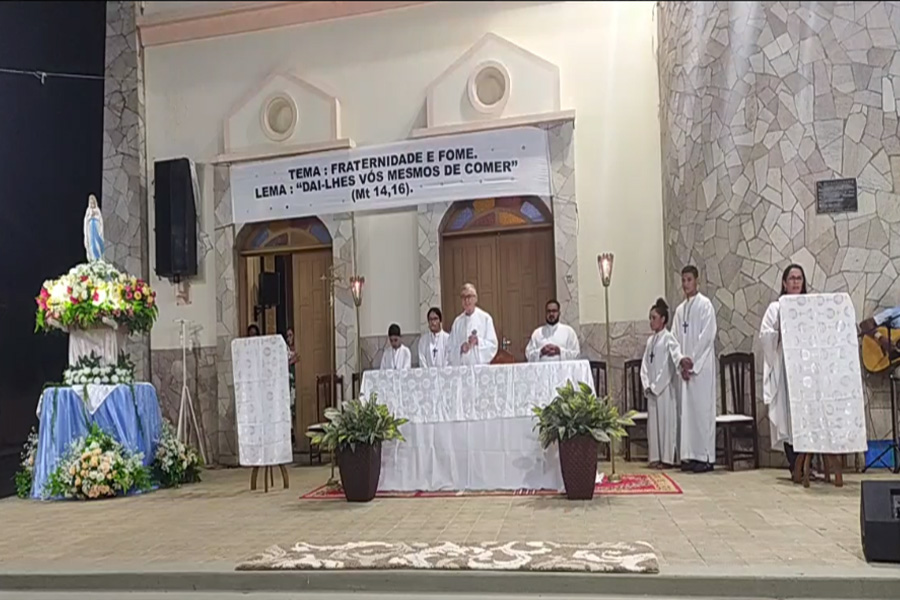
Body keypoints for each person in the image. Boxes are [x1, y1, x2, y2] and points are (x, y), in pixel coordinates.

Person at [759, 263, 807, 478]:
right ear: (784, 283)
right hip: (786, 368)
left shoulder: (809, 306)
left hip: (806, 370)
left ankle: (808, 464)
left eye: (799, 278)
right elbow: (766, 335)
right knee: (788, 416)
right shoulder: (776, 308)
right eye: (792, 278)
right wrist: (778, 329)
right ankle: (794, 463)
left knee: (806, 417)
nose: (796, 282)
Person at [670, 265, 717, 473]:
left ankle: (705, 456)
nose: (686, 284)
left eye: (689, 279)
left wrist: (693, 361)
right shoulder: (680, 310)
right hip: (686, 371)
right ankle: (689, 455)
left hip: (701, 369)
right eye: (683, 280)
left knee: (702, 412)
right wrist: (680, 359)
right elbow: (673, 340)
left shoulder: (705, 305)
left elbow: (707, 336)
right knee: (687, 413)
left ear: (697, 281)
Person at [640, 298, 683, 469]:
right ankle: (655, 456)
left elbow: (669, 365)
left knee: (666, 423)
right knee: (654, 425)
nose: (651, 321)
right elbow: (644, 365)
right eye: (650, 318)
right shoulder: (650, 341)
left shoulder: (669, 338)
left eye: (654, 317)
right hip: (652, 389)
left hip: (665, 390)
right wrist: (647, 384)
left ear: (663, 319)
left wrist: (657, 385)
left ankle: (667, 458)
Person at [448, 283, 498, 366]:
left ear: (475, 299)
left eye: (469, 297)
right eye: (463, 297)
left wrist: (478, 341)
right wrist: (460, 349)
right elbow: (450, 348)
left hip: (481, 370)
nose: (466, 301)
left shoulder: (485, 318)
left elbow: (493, 346)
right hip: (463, 370)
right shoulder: (457, 322)